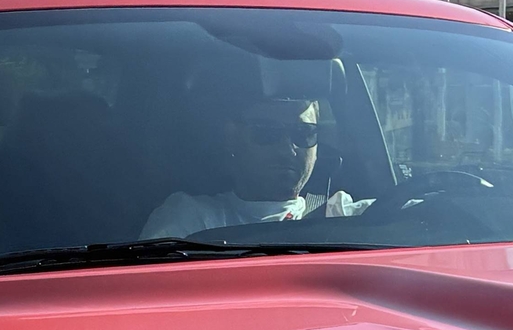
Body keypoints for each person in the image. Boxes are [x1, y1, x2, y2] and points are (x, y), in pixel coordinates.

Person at [143, 93, 372, 242]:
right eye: (267, 133)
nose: (288, 150)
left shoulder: (342, 217)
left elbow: (406, 218)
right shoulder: (191, 220)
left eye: (303, 133)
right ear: (232, 137)